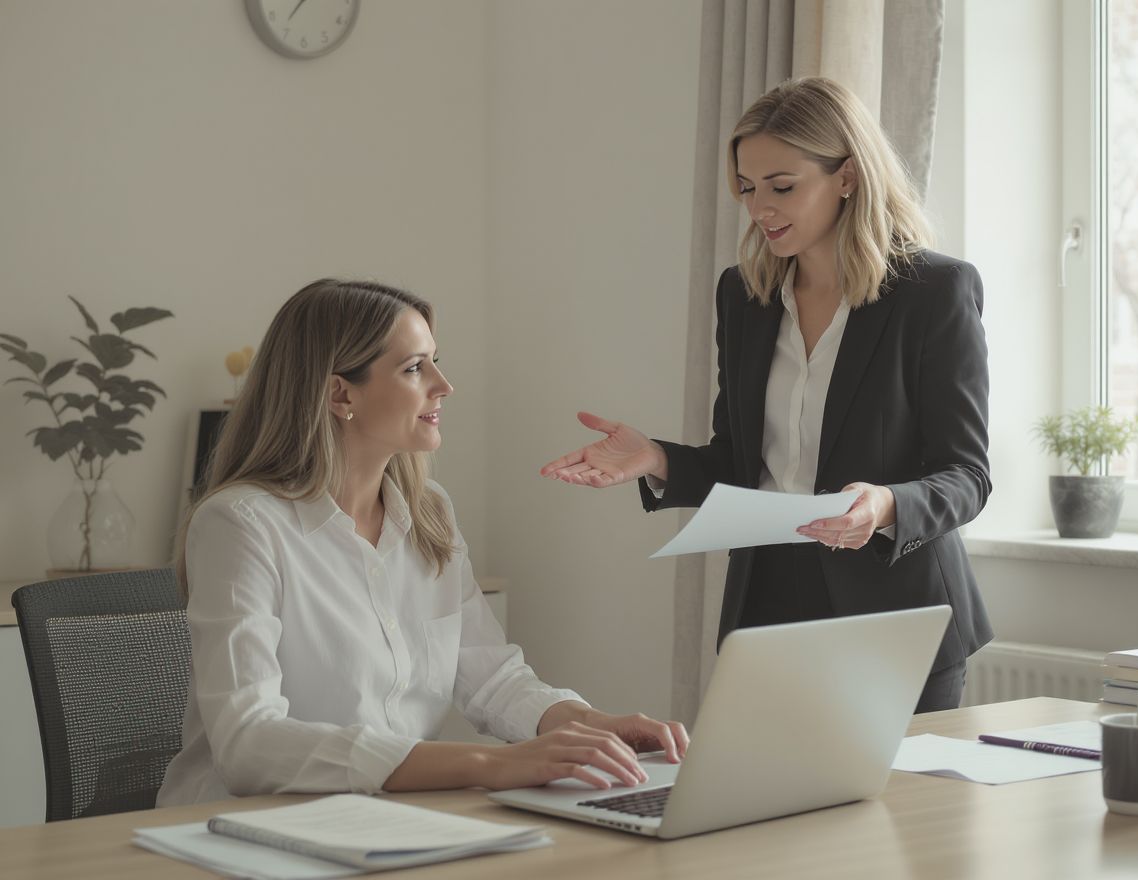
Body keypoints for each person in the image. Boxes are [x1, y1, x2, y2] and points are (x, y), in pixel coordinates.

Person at [540, 77, 993, 712]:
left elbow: (967, 475)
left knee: (900, 813)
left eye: (783, 187)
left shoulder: (932, 293)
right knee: (768, 811)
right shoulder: (745, 295)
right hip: (768, 604)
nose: (760, 209)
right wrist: (657, 459)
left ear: (847, 177)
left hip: (896, 612)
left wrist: (886, 504)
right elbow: (740, 460)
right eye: (748, 188)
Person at [157, 279, 687, 806]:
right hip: (239, 830)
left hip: (385, 822)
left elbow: (492, 679)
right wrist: (491, 765)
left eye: (435, 360)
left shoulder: (429, 511)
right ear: (340, 393)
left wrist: (592, 726)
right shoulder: (242, 524)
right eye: (415, 368)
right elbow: (249, 744)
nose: (444, 385)